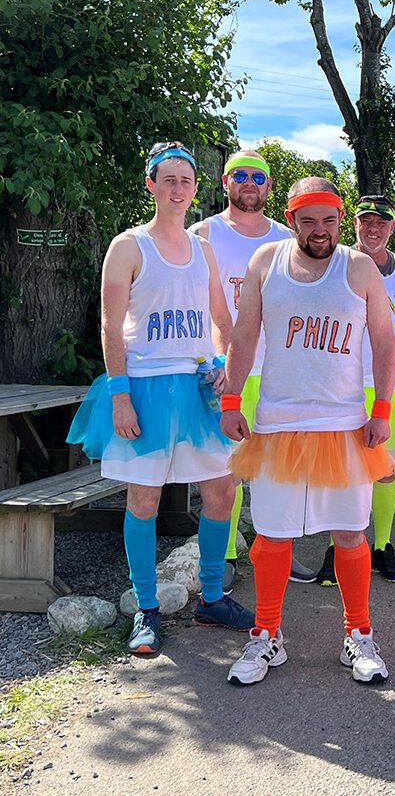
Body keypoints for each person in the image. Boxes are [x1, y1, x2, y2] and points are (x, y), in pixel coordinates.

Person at [68, 141, 254, 658]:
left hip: (197, 390)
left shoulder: (204, 248)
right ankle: (146, 609)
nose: (177, 188)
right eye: (167, 179)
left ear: (197, 188)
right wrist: (121, 396)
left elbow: (222, 321)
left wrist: (220, 365)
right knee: (144, 500)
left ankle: (212, 596)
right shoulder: (128, 246)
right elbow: (109, 327)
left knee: (221, 489)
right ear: (150, 185)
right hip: (145, 388)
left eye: (186, 180)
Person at [222, 177, 395, 686]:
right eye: (308, 220)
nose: (320, 230)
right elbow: (244, 334)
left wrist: (381, 408)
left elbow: (385, 343)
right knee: (271, 536)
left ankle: (358, 634)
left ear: (341, 220)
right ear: (292, 218)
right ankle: (266, 635)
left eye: (329, 220)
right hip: (278, 422)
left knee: (350, 534)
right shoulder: (266, 262)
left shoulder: (359, 266)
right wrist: (231, 399)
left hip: (343, 423)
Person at [189, 150, 316, 592]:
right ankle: (224, 557)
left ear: (268, 186)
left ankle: (278, 548)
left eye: (257, 176)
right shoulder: (202, 234)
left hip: (279, 365)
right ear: (225, 182)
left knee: (276, 469)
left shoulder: (286, 238)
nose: (248, 182)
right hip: (223, 368)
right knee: (226, 470)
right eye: (239, 175)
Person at [313, 196, 395, 585]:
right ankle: (340, 549)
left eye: (381, 222)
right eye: (366, 221)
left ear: (392, 228)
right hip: (343, 385)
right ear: (355, 225)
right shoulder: (335, 265)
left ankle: (381, 548)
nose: (373, 228)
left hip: (392, 386)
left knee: (384, 470)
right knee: (344, 472)